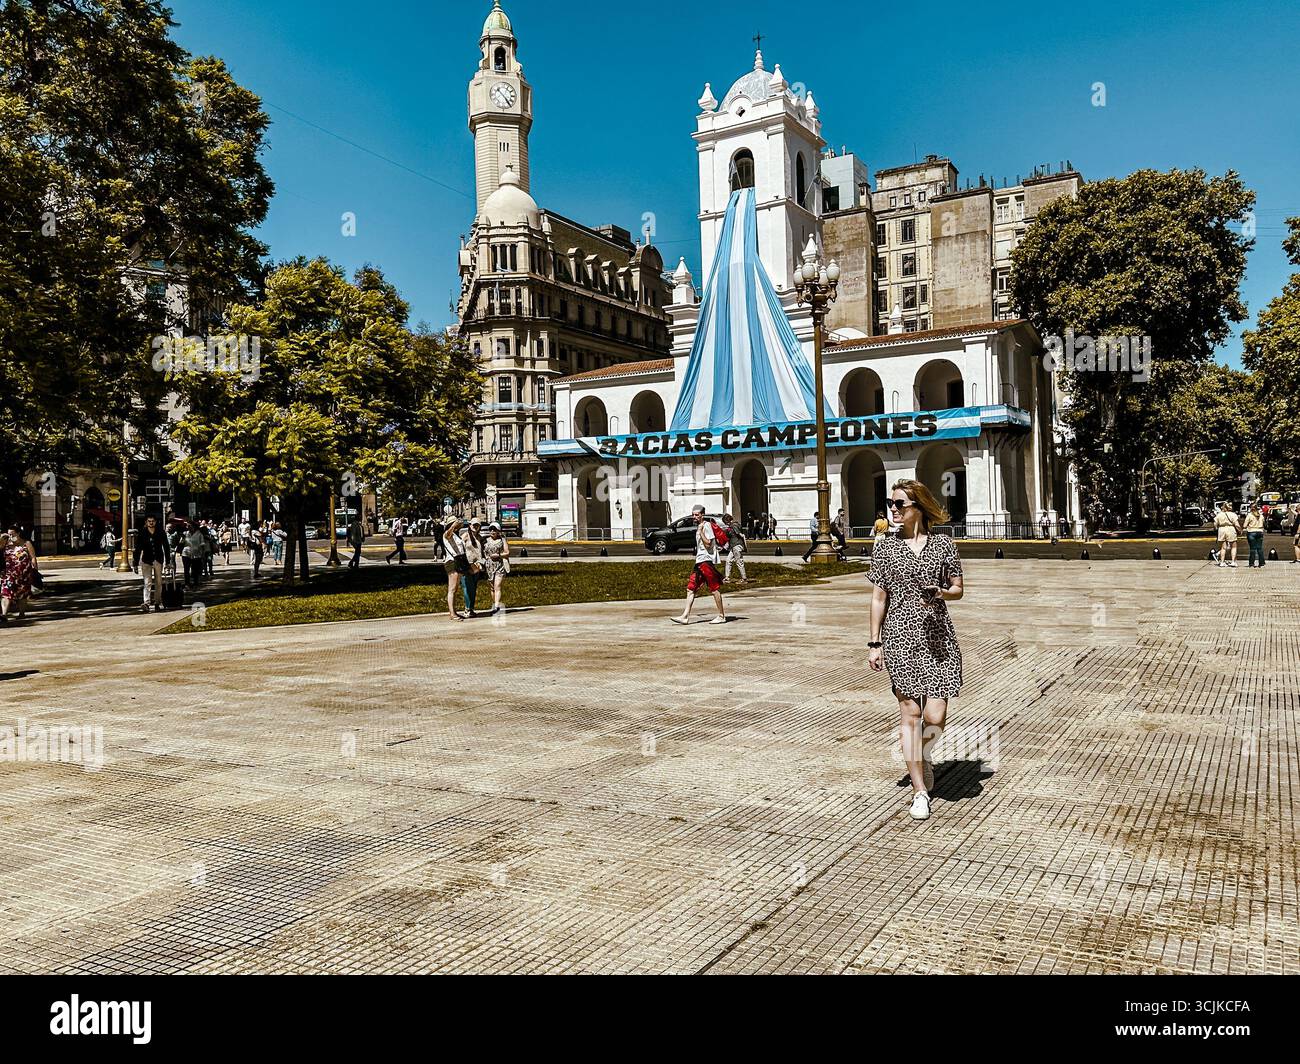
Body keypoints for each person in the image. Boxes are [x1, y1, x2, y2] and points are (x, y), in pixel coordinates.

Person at [867, 480, 966, 823]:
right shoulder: (884, 549)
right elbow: (879, 598)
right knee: (910, 713)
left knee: (935, 716)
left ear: (919, 508)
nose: (892, 510)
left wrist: (941, 592)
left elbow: (958, 589)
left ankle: (922, 756)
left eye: (899, 505)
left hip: (939, 639)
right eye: (890, 504)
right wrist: (874, 642)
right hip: (900, 639)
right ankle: (920, 791)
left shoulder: (943, 545)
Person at [672, 505, 726, 625]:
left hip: (706, 562)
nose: (694, 517)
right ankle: (685, 616)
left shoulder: (706, 526)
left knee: (714, 588)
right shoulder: (699, 526)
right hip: (699, 562)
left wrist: (701, 532)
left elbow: (708, 544)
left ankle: (721, 616)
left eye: (696, 515)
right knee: (690, 589)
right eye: (693, 514)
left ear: (702, 515)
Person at [133, 515, 171, 613]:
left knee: (159, 582)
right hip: (146, 560)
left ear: (155, 522)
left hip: (158, 559)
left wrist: (168, 561)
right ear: (146, 522)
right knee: (147, 582)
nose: (151, 523)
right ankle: (146, 602)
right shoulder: (142, 533)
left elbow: (166, 546)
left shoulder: (160, 532)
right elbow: (138, 549)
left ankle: (157, 602)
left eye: (153, 521)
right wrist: (135, 563)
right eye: (149, 521)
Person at [1, 527, 37, 625]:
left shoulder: (26, 544)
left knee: (22, 594)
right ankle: (4, 614)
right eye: (9, 535)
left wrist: (35, 571)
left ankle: (22, 613)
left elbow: (33, 557)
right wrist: (2, 538)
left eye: (13, 534)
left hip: (24, 574)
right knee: (6, 593)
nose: (11, 537)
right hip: (9, 574)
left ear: (19, 533)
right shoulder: (6, 545)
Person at [442, 517, 469, 620]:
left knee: (455, 588)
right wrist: (453, 526)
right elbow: (448, 534)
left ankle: (454, 611)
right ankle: (452, 613)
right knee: (452, 589)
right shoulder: (447, 534)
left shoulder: (455, 535)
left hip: (458, 562)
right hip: (452, 562)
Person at [482, 522, 511, 615]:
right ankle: (494, 603)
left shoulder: (502, 540)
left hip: (499, 564)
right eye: (491, 529)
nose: (492, 531)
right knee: (492, 587)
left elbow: (507, 552)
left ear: (498, 531)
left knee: (497, 585)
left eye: (494, 529)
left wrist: (498, 555)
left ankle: (497, 606)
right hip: (489, 566)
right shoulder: (485, 540)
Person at [461, 519, 486, 616]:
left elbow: (481, 552)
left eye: (477, 525)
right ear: (470, 525)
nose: (475, 527)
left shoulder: (479, 537)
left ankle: (471, 608)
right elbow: (460, 550)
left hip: (477, 565)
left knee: (473, 588)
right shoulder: (465, 536)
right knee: (467, 587)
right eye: (473, 525)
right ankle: (467, 608)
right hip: (467, 565)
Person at [723, 512, 748, 584]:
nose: (725, 524)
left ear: (727, 521)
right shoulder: (735, 525)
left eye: (725, 522)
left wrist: (743, 545)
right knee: (728, 560)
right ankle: (727, 577)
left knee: (739, 561)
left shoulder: (734, 526)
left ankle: (744, 578)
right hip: (733, 546)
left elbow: (740, 534)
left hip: (736, 545)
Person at [181, 522, 208, 588]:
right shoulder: (185, 534)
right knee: (186, 569)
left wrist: (203, 553)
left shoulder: (199, 534)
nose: (188, 527)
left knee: (195, 569)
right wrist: (182, 538)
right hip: (186, 553)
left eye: (190, 526)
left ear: (194, 527)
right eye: (187, 526)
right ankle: (187, 583)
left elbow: (202, 545)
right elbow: (181, 543)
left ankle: (196, 582)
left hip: (196, 554)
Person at [1214, 503, 1240, 568]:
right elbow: (1236, 524)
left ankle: (1222, 562)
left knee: (1223, 547)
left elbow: (1215, 524)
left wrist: (1217, 529)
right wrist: (1240, 530)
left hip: (1221, 529)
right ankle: (1233, 562)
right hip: (1231, 529)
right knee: (1233, 546)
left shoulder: (1219, 515)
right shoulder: (1233, 515)